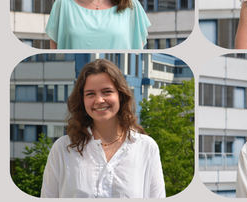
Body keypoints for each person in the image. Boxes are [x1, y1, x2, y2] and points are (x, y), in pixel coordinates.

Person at [41, 59, 165, 198]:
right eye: (90, 94)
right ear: (82, 100)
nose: (99, 100)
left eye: (106, 91)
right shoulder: (63, 148)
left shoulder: (146, 148)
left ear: (121, 95)